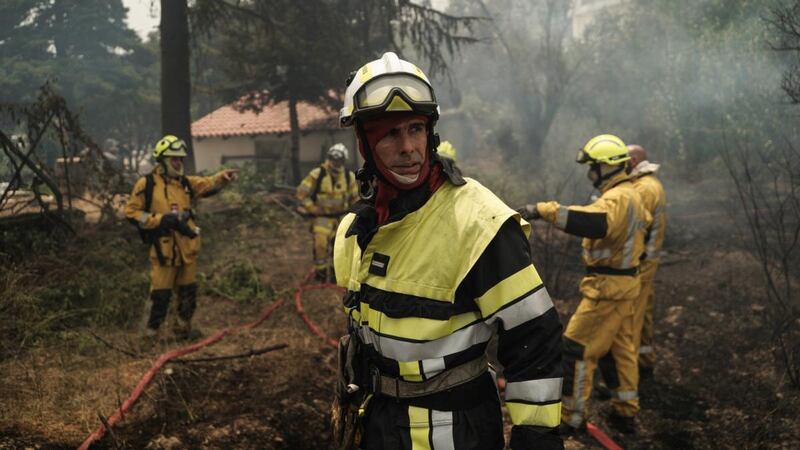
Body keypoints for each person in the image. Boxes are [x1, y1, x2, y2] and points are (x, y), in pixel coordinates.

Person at [331, 52, 564, 450]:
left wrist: (536, 438)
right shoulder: (359, 228)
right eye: (390, 134)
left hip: (455, 433)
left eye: (416, 129)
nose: (408, 148)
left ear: (431, 133)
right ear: (363, 143)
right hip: (378, 425)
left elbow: (535, 339)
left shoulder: (480, 225)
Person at [518, 134, 651, 434]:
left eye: (593, 166)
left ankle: (571, 417)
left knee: (576, 349)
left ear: (607, 166)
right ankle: (625, 410)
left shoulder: (619, 198)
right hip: (623, 285)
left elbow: (595, 223)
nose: (591, 173)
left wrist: (544, 210)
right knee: (620, 350)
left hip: (607, 289)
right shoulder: (628, 194)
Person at [124, 135, 238, 342]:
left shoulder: (185, 183)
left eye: (180, 159)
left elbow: (207, 184)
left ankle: (183, 332)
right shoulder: (146, 184)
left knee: (188, 294)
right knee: (160, 296)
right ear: (163, 161)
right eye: (174, 159)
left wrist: (223, 177)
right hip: (163, 250)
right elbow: (132, 213)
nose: (178, 163)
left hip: (187, 249)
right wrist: (159, 220)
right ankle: (148, 339)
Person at [627, 144, 666, 377]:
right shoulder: (650, 184)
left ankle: (626, 377)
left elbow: (632, 229)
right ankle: (645, 360)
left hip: (639, 265)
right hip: (647, 262)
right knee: (645, 314)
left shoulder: (643, 189)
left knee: (631, 319)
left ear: (632, 161)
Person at [295, 143, 358, 282]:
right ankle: (321, 275)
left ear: (343, 160)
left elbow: (355, 198)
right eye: (333, 158)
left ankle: (337, 276)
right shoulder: (317, 174)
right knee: (320, 245)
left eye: (339, 159)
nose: (335, 162)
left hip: (342, 218)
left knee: (340, 247)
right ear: (329, 158)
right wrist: (312, 208)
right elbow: (301, 193)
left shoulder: (349, 176)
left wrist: (354, 215)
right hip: (322, 218)